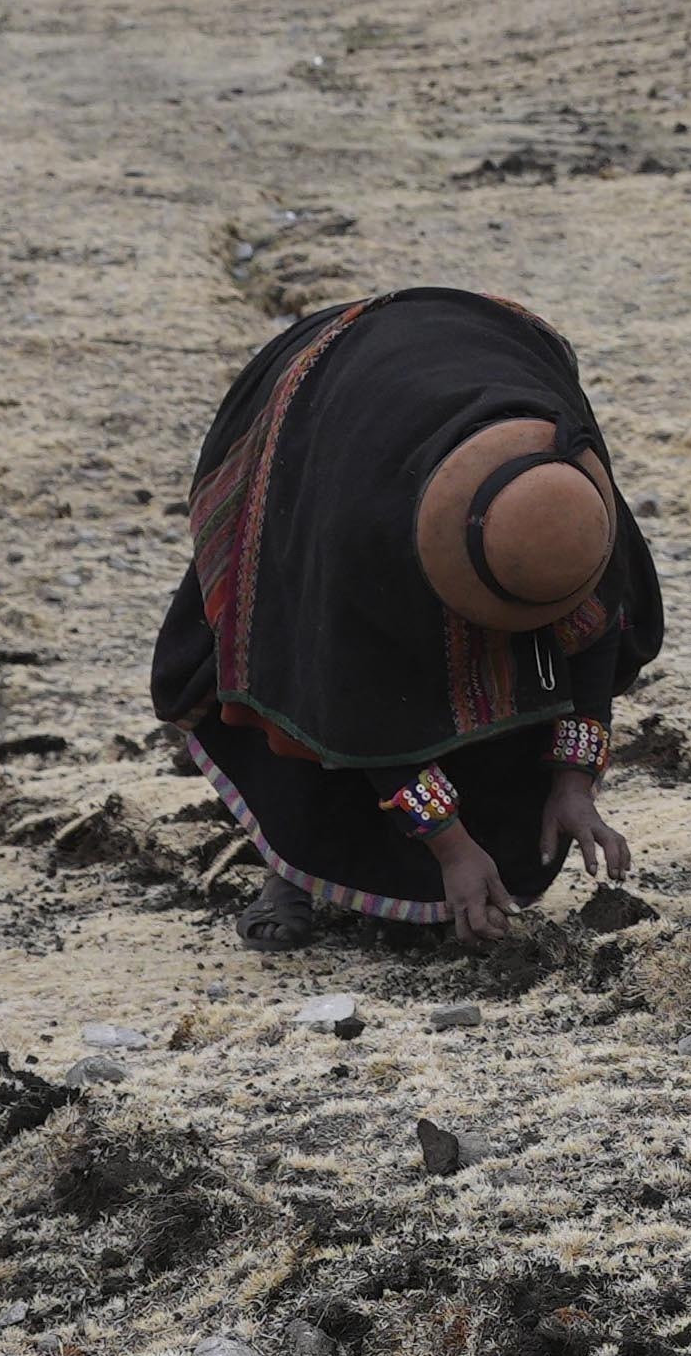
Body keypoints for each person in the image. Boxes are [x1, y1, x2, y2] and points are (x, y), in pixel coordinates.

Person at [155, 285, 664, 946]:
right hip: (326, 419)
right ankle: (293, 865)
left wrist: (574, 786)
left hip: (470, 361)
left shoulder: (573, 513)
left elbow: (592, 646)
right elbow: (360, 703)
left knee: (516, 681)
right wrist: (452, 848)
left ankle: (433, 878)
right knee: (288, 674)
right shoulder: (354, 543)